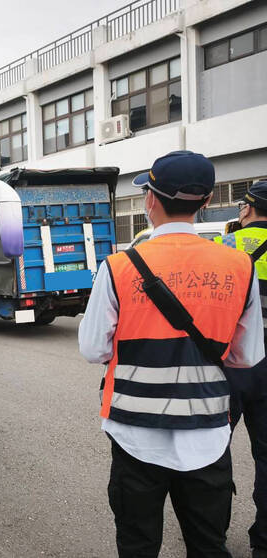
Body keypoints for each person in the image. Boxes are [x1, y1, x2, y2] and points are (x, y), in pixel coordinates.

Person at [78, 151, 265, 557]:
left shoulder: (118, 266)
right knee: (207, 544)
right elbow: (246, 356)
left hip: (134, 435)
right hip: (207, 436)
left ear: (150, 199)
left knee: (138, 544)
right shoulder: (238, 267)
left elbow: (93, 349)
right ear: (206, 200)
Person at [215, 180, 267, 557]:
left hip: (232, 365)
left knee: (214, 450)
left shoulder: (226, 247)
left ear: (247, 209)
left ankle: (210, 535)